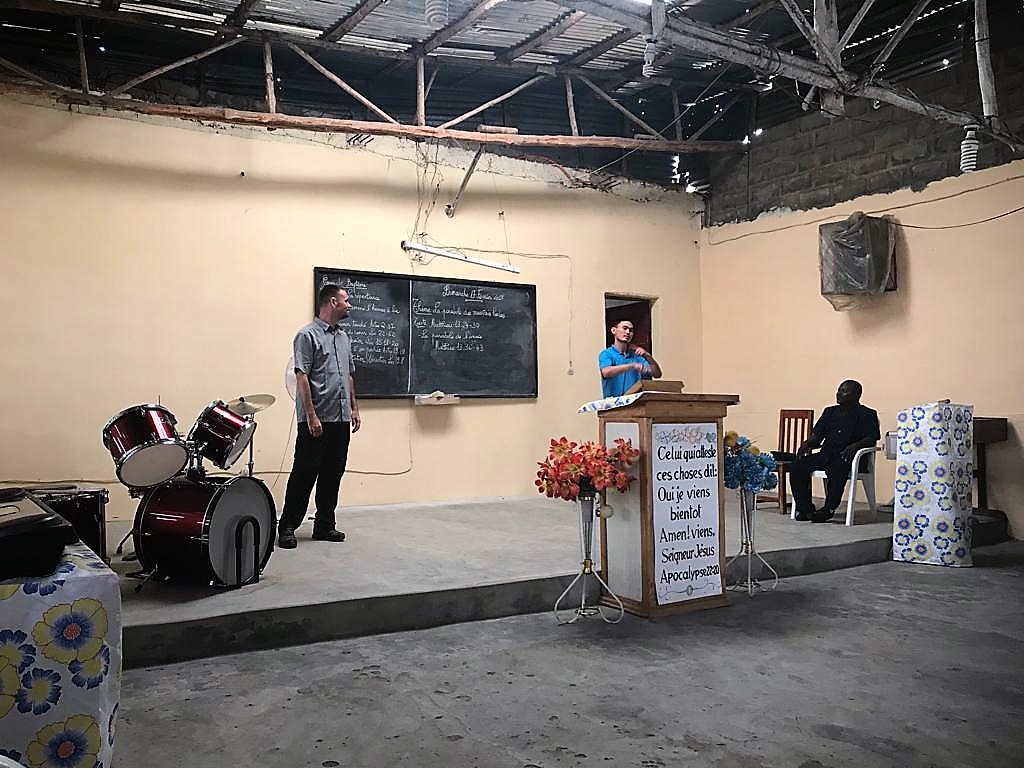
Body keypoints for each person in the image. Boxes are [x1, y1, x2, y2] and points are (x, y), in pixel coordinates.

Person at [278, 284, 361, 549]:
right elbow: (301, 376)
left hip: (340, 418)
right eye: (346, 300)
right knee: (304, 473)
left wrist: (354, 408)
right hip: (316, 419)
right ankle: (288, 526)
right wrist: (311, 415)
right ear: (333, 302)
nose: (350, 305)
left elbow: (348, 375)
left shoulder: (344, 338)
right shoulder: (307, 336)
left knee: (333, 473)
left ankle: (325, 525)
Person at [789, 379, 880, 523]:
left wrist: (855, 446)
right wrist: (807, 444)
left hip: (850, 456)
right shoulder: (829, 412)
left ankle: (828, 509)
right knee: (797, 466)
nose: (838, 393)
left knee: (837, 467)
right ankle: (805, 509)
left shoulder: (867, 414)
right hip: (826, 454)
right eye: (839, 390)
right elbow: (817, 435)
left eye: (844, 391)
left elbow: (871, 438)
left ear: (856, 395)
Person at [598, 319, 663, 398]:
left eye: (631, 330)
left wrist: (647, 355)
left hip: (636, 402)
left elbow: (657, 374)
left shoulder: (637, 356)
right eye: (625, 328)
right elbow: (606, 372)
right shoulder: (606, 354)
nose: (628, 332)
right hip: (614, 403)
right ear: (614, 330)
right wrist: (632, 366)